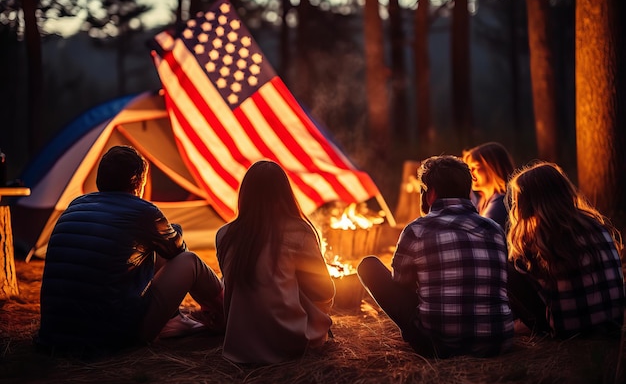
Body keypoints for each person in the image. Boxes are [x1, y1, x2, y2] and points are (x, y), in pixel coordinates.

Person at [37, 145, 224, 357]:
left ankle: (173, 319)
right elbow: (178, 252)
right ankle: (229, 312)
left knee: (162, 238)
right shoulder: (143, 212)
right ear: (139, 181)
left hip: (55, 333)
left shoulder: (76, 206)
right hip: (113, 336)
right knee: (189, 261)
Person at [357, 155, 514, 358]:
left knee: (368, 266)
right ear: (468, 190)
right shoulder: (493, 229)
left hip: (438, 346)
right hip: (497, 341)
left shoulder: (416, 230)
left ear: (430, 193)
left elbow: (400, 282)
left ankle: (423, 332)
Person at [216, 160, 335, 364]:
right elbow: (325, 291)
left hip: (240, 347)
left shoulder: (224, 234)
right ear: (285, 195)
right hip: (289, 344)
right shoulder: (299, 231)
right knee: (308, 288)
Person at [506, 161, 625, 339]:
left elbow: (541, 291)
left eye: (517, 198)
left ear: (528, 201)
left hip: (571, 331)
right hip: (614, 321)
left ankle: (523, 328)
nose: (515, 204)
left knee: (508, 270)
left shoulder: (542, 236)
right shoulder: (594, 223)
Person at [462, 142, 515, 230]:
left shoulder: (501, 203)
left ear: (493, 168)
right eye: (469, 168)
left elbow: (481, 234)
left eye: (475, 167)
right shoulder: (484, 202)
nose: (470, 172)